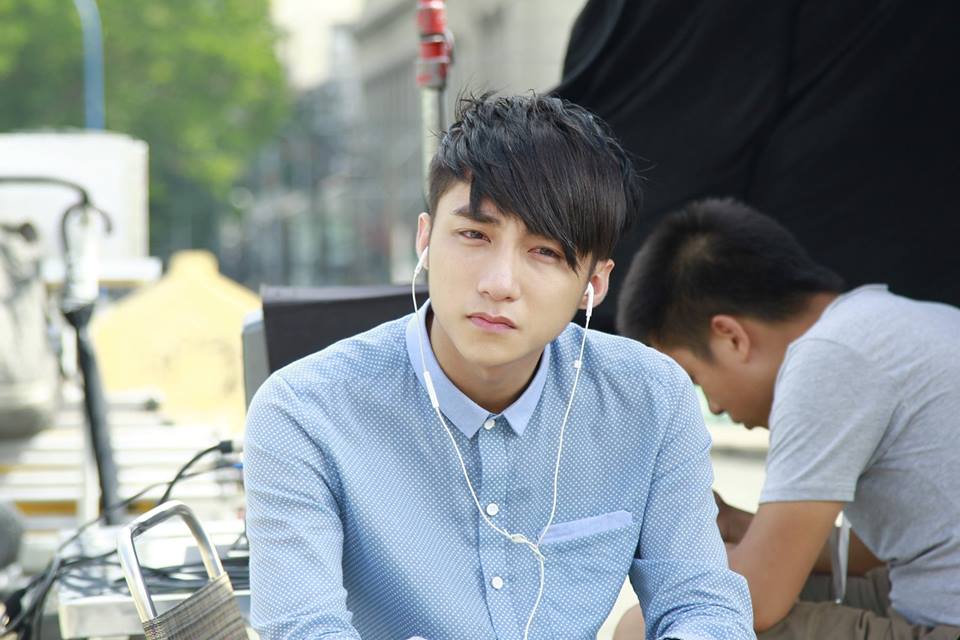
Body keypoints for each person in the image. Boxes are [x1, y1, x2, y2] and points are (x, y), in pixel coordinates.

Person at [244, 94, 754, 639]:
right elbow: (303, 629)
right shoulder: (304, 411)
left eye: (545, 252)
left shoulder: (649, 397)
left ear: (595, 283)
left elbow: (703, 607)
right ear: (425, 239)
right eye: (474, 235)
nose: (499, 284)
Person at [616, 198, 960, 639]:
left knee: (648, 625)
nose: (714, 407)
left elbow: (757, 601)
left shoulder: (828, 359)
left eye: (694, 379)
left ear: (730, 336)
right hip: (923, 592)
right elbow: (880, 551)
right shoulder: (889, 319)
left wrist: (664, 543)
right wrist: (739, 525)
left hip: (942, 620)